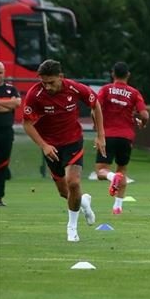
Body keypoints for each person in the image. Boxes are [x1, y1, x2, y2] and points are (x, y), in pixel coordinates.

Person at [21, 60, 104, 242]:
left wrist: (100, 136)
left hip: (73, 142)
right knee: (64, 191)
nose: (47, 86)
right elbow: (26, 123)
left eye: (51, 82)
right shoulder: (35, 95)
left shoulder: (74, 89)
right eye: (44, 82)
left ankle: (72, 229)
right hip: (51, 147)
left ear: (61, 77)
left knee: (73, 183)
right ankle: (84, 202)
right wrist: (44, 145)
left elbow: (95, 104)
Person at [94, 62, 149, 215]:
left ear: (113, 74)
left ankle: (112, 177)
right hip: (126, 137)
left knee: (100, 171)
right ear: (128, 75)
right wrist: (142, 123)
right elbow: (144, 114)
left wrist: (98, 131)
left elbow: (94, 109)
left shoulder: (105, 90)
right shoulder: (134, 92)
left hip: (108, 135)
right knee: (122, 169)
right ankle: (117, 207)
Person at [0, 61, 22, 206]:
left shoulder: (12, 89)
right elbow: (10, 104)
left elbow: (17, 103)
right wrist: (7, 104)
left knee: (2, 165)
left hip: (5, 133)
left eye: (0, 72)